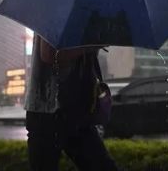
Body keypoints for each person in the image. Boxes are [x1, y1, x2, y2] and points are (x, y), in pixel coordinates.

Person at [25, 34, 118, 171]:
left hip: (76, 110)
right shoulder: (54, 13)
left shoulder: (84, 19)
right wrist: (90, 46)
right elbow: (49, 55)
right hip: (46, 110)